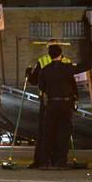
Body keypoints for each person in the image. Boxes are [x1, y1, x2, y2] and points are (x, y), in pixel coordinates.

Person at [37, 44, 89, 169]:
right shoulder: (67, 68)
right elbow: (86, 66)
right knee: (64, 133)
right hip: (65, 104)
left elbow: (41, 87)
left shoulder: (45, 70)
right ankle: (61, 161)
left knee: (48, 134)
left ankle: (45, 162)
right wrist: (90, 51)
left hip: (51, 104)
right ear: (61, 55)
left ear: (49, 56)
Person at [27, 40, 71, 169]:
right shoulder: (67, 62)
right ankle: (58, 160)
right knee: (61, 132)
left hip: (47, 101)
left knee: (45, 132)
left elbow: (35, 81)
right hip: (65, 101)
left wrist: (29, 74)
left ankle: (41, 160)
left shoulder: (42, 61)